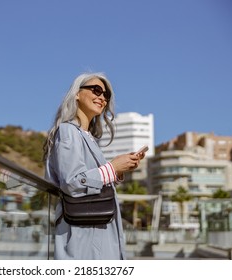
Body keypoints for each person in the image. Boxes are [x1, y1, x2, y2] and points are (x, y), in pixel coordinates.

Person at [43, 72, 146, 260]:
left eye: (106, 95)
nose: (102, 97)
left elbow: (89, 178)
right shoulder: (68, 131)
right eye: (96, 90)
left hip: (94, 230)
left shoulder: (88, 137)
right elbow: (73, 182)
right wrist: (112, 168)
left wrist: (118, 170)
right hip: (83, 235)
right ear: (76, 94)